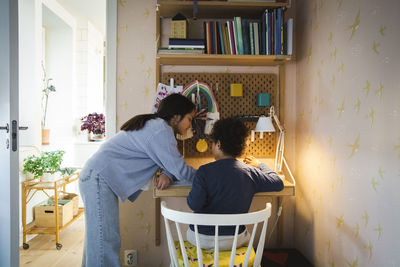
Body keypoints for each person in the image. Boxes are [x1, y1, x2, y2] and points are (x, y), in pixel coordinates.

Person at [79, 93, 197, 267]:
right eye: (189, 119)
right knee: (104, 243)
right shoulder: (161, 131)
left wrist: (167, 173)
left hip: (96, 177)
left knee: (98, 243)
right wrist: (207, 178)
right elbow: (179, 168)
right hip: (98, 178)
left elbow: (168, 163)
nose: (190, 125)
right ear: (176, 117)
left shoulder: (157, 127)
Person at [186, 117, 284, 250]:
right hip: (233, 241)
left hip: (200, 239)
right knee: (244, 235)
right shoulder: (250, 172)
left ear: (218, 144)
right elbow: (278, 183)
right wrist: (259, 164)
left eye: (213, 143)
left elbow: (194, 204)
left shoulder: (203, 172)